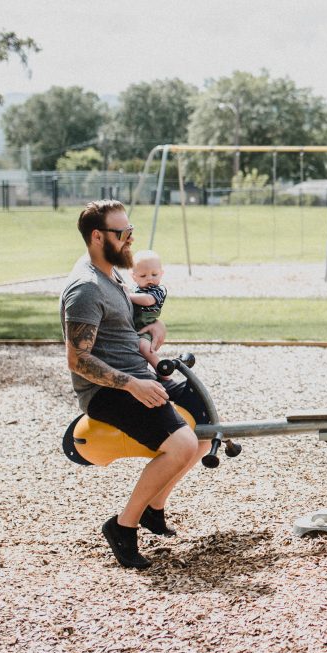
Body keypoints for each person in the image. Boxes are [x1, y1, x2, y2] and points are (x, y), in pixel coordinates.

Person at [60, 200, 212, 569]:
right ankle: (122, 526)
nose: (129, 239)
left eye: (131, 232)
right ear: (98, 237)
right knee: (182, 444)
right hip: (108, 391)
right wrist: (131, 385)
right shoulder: (85, 288)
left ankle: (153, 509)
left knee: (206, 425)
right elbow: (78, 359)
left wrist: (155, 328)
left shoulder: (113, 276)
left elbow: (127, 326)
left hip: (138, 377)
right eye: (121, 233)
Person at [128, 249, 168, 373]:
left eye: (154, 274)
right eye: (143, 276)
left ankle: (163, 370)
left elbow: (148, 300)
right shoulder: (134, 289)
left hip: (145, 326)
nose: (149, 279)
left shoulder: (157, 290)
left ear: (161, 273)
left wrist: (127, 295)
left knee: (144, 347)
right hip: (134, 326)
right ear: (134, 277)